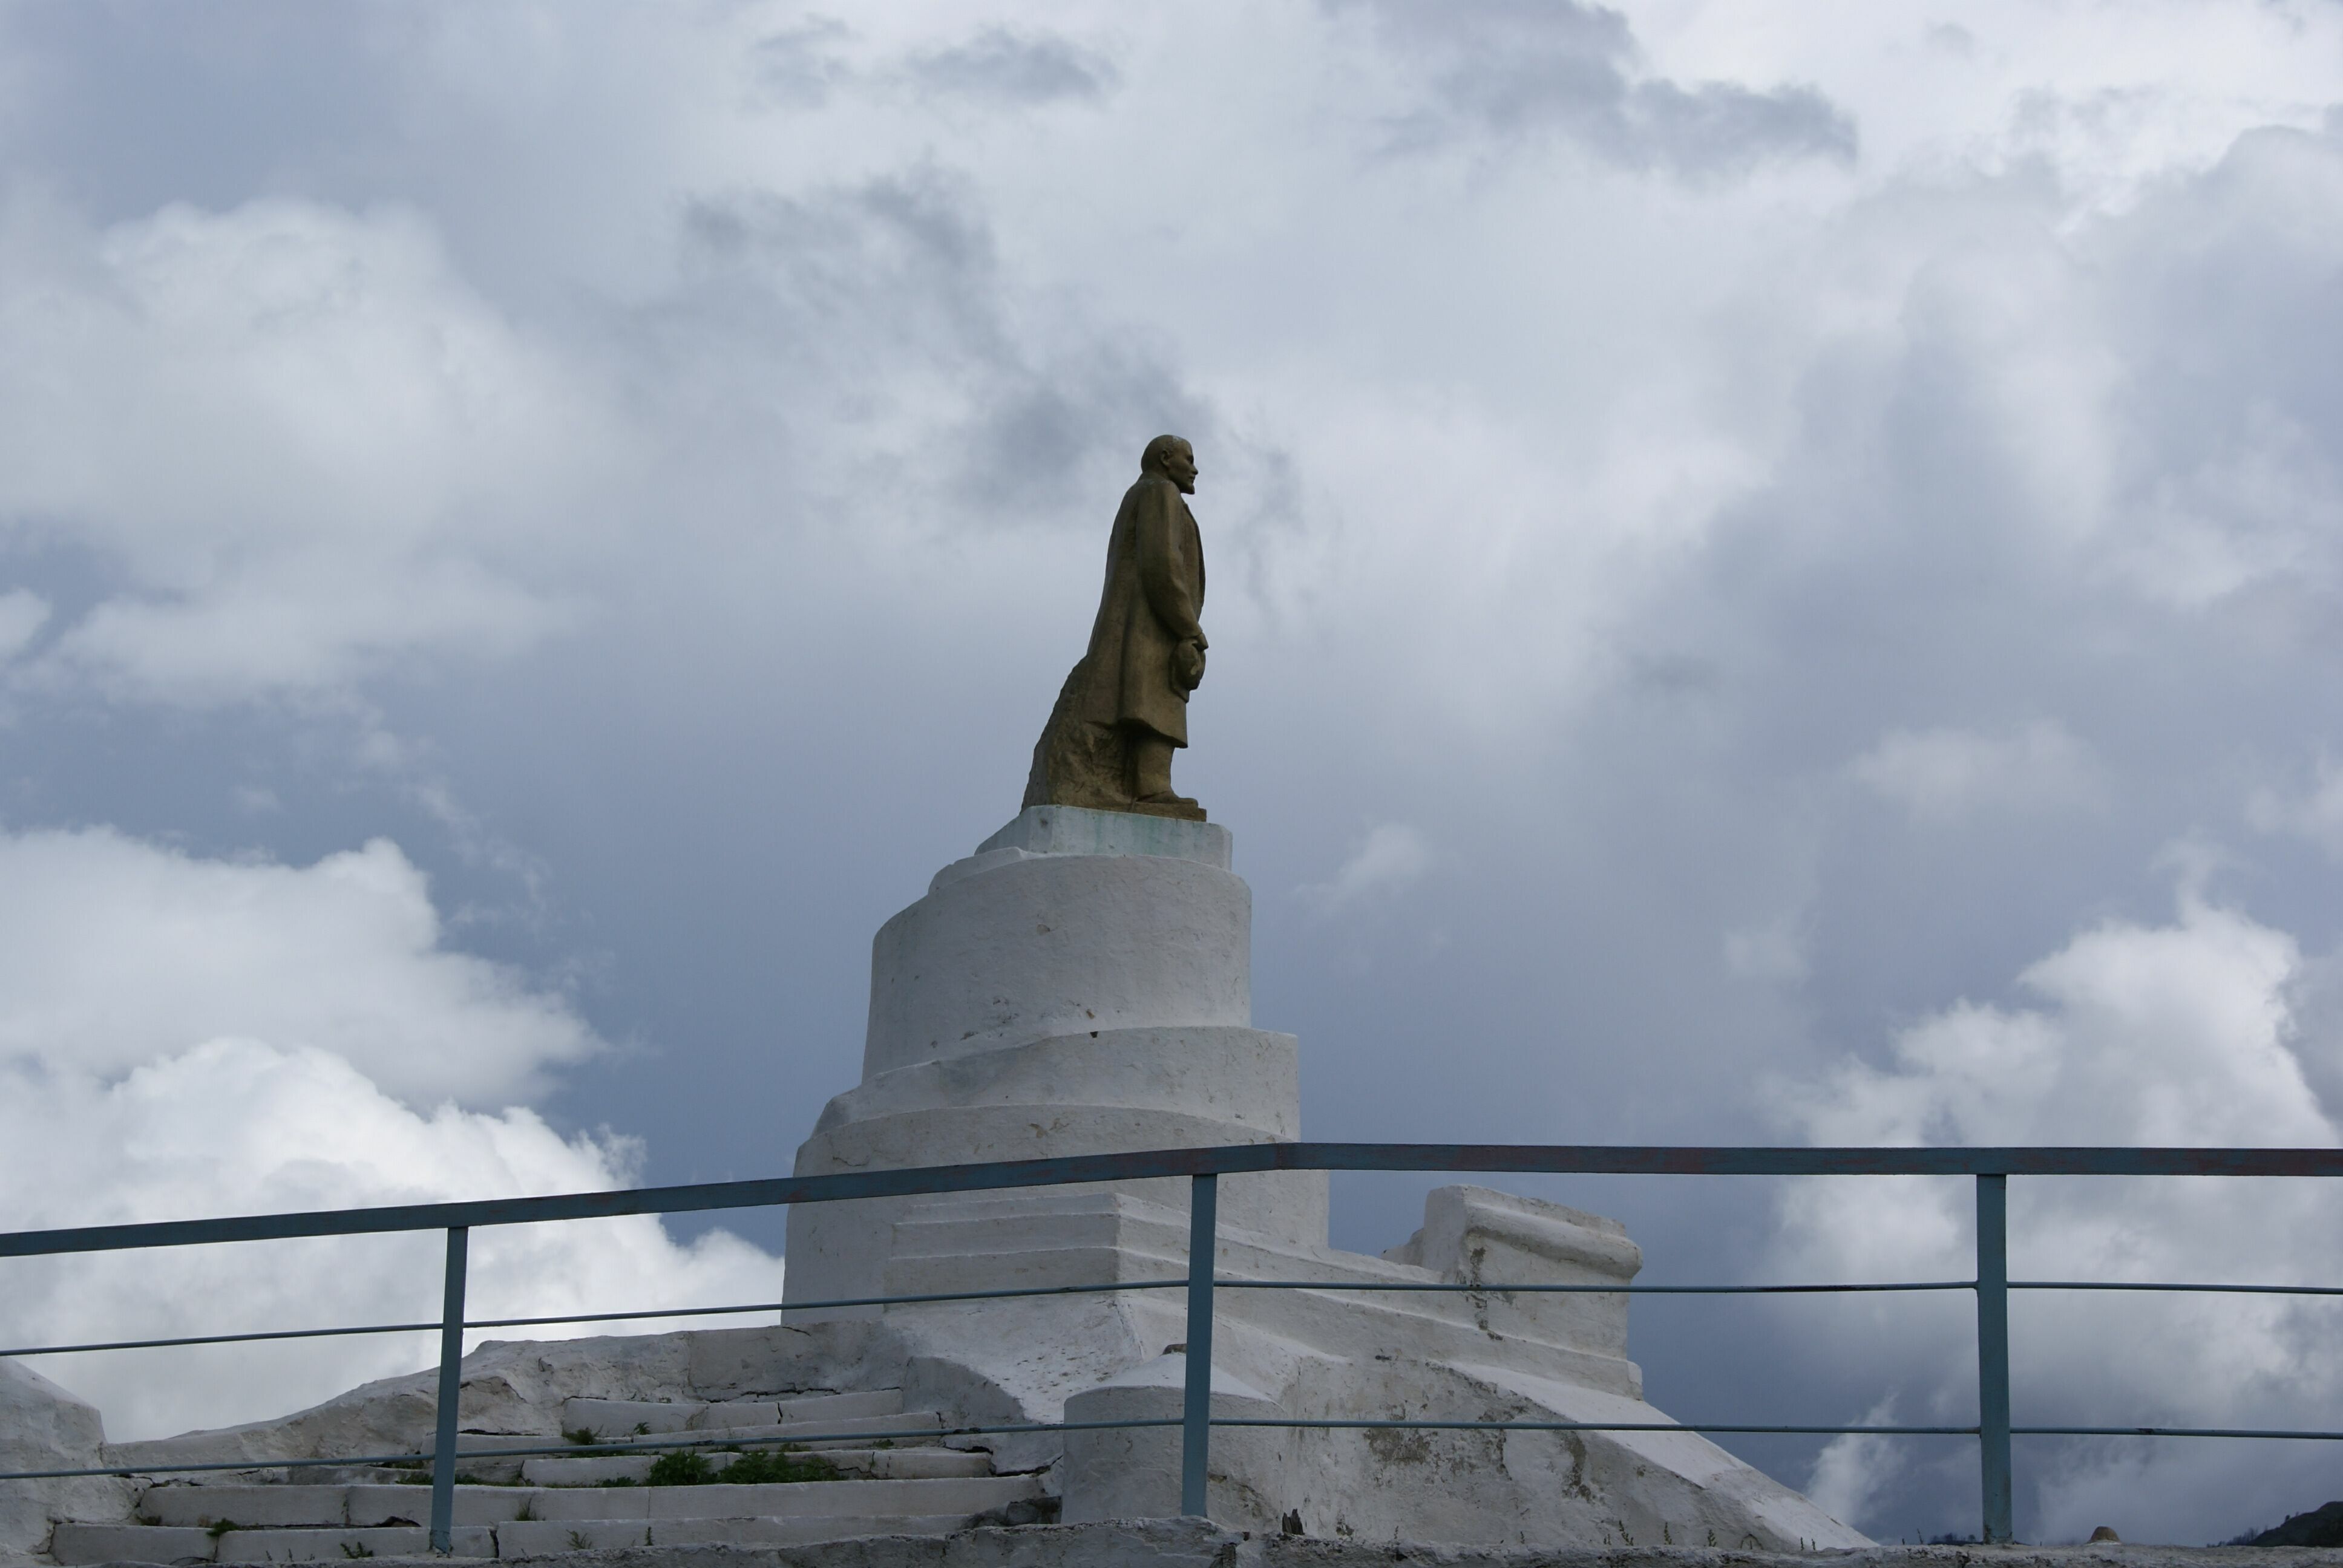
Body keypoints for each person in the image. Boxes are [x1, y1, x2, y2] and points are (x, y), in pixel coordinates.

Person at [1022, 434, 1210, 818]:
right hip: (1152, 623)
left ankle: (1143, 786)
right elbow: (1161, 564)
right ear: (1166, 458)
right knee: (1155, 698)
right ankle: (1152, 788)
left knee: (1145, 697)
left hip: (1139, 622)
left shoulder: (1141, 495)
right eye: (1188, 459)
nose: (1195, 469)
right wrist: (1188, 628)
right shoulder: (1160, 493)